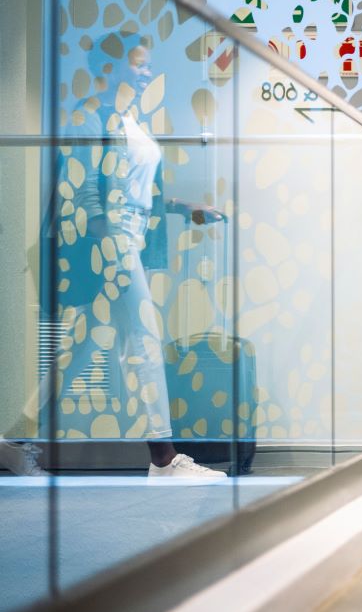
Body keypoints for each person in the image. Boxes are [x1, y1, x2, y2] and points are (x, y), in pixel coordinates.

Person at [0, 34, 225, 480]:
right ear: (112, 68)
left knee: (77, 351)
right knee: (143, 343)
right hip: (113, 247)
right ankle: (164, 459)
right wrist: (113, 252)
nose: (145, 73)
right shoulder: (91, 119)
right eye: (138, 65)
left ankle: (13, 444)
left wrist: (185, 208)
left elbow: (138, 193)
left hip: (129, 243)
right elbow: (86, 193)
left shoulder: (129, 120)